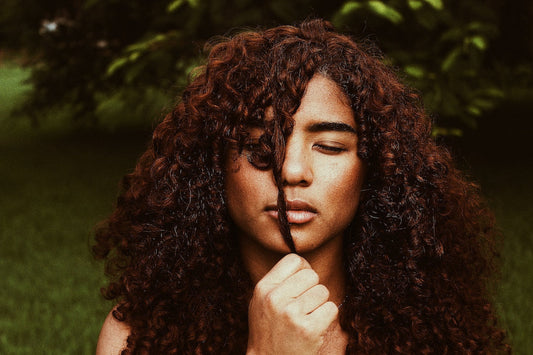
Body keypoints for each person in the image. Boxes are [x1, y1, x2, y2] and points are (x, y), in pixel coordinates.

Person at [94, 19, 509, 354]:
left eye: (329, 146)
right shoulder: (136, 337)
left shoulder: (433, 330)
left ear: (375, 169)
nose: (291, 170)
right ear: (212, 165)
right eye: (259, 144)